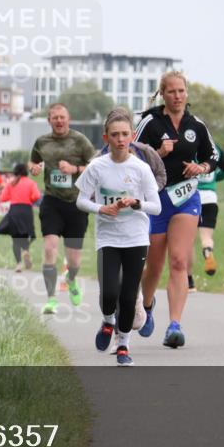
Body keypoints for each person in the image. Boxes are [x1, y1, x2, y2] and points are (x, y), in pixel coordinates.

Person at [134, 71, 219, 347]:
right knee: (154, 265)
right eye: (172, 91)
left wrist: (201, 167)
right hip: (156, 200)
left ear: (187, 93)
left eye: (181, 91)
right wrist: (158, 153)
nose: (177, 96)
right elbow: (131, 155)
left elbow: (213, 155)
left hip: (186, 197)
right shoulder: (150, 122)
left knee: (180, 261)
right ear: (163, 93)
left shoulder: (196, 124)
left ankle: (174, 325)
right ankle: (146, 307)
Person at [76, 109, 162, 366]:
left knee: (127, 297)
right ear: (106, 138)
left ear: (132, 136)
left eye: (125, 134)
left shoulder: (141, 168)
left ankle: (123, 344)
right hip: (108, 238)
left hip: (135, 238)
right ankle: (107, 321)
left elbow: (155, 206)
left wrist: (137, 203)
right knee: (109, 293)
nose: (120, 139)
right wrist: (100, 208)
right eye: (115, 135)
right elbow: (81, 200)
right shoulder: (97, 167)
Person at [29, 103, 97, 314]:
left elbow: (95, 166)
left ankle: (71, 278)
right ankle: (51, 299)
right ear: (49, 120)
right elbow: (33, 162)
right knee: (49, 248)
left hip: (76, 203)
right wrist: (34, 168)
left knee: (74, 260)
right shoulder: (42, 142)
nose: (59, 121)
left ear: (69, 119)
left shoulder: (80, 141)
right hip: (52, 202)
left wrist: (75, 169)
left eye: (62, 117)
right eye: (55, 117)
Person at [188, 144, 224, 290]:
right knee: (206, 237)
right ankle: (208, 251)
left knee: (189, 241)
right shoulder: (216, 148)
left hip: (191, 198)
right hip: (210, 199)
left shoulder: (189, 146)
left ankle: (189, 281)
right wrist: (214, 179)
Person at [0, 162, 42, 272]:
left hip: (14, 211)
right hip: (26, 210)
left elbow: (2, 198)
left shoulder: (11, 184)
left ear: (15, 172)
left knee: (15, 239)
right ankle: (25, 250)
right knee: (29, 235)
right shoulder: (31, 183)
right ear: (26, 171)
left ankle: (18, 264)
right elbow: (37, 196)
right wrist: (29, 199)